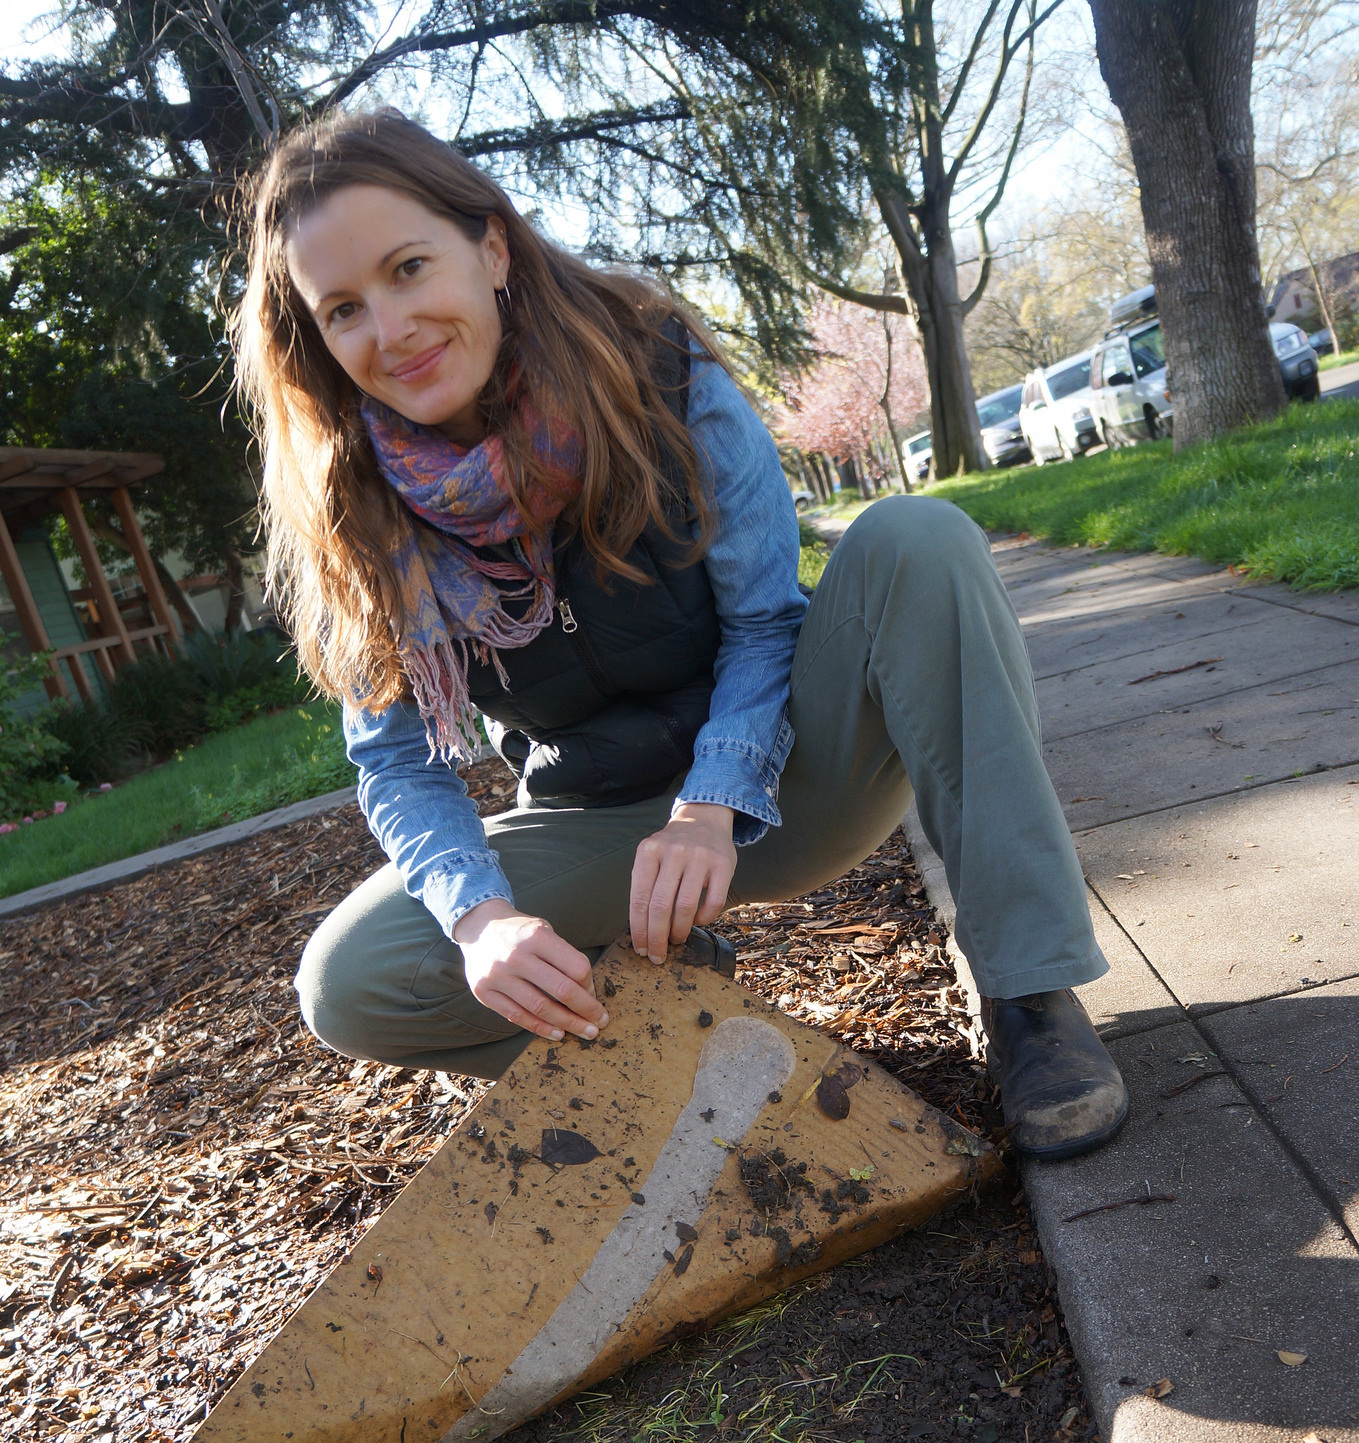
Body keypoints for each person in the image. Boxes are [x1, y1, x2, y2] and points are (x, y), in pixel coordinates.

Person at [236, 108, 1127, 1161]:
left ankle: (1032, 997)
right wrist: (481, 921)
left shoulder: (655, 371)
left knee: (917, 540)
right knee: (349, 981)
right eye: (342, 309)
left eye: (408, 267)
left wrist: (710, 805)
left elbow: (763, 623)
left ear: (492, 246)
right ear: (317, 338)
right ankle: (674, 1056)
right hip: (605, 826)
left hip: (792, 774)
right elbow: (394, 764)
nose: (390, 330)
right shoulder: (356, 507)